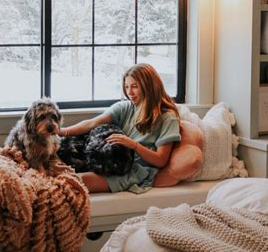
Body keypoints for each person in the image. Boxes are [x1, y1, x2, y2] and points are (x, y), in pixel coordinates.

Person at [59, 63, 181, 194]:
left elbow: (161, 160)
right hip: (111, 159)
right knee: (60, 166)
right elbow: (92, 123)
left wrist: (134, 145)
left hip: (135, 171)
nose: (129, 92)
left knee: (76, 181)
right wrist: (62, 131)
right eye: (127, 87)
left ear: (149, 86)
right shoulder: (125, 107)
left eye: (135, 86)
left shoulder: (168, 118)